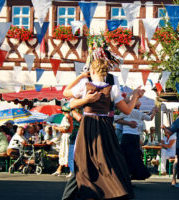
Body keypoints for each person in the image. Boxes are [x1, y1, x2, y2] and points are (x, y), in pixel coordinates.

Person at [61, 55, 144, 200]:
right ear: (105, 73)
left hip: (88, 125)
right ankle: (113, 192)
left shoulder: (84, 85)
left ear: (92, 71)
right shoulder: (112, 89)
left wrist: (81, 76)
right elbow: (127, 110)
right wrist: (135, 96)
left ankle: (80, 194)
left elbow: (65, 93)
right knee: (109, 161)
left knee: (84, 161)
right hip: (105, 126)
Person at [116, 99, 158, 180]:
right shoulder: (138, 113)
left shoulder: (127, 112)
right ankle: (135, 174)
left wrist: (128, 123)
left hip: (127, 136)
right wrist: (154, 112)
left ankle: (127, 175)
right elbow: (149, 118)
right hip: (135, 137)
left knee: (126, 156)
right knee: (135, 156)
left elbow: (116, 119)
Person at [52, 104, 73, 176]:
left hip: (66, 136)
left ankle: (71, 171)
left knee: (66, 152)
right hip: (69, 135)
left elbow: (65, 129)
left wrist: (56, 128)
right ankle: (59, 169)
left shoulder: (66, 117)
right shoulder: (71, 117)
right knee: (65, 152)